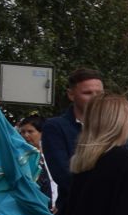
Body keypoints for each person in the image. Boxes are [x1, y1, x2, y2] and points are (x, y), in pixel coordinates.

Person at [40, 68, 105, 198]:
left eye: (99, 93)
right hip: (76, 208)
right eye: (87, 93)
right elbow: (63, 174)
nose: (95, 98)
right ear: (71, 95)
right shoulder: (56, 127)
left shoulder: (113, 126)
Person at [17, 116, 56, 205]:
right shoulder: (20, 157)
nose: (25, 135)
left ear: (42, 133)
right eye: (22, 132)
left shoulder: (52, 154)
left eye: (30, 131)